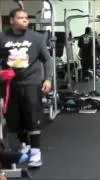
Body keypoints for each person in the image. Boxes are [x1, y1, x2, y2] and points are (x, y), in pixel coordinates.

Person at [0, 8, 53, 167]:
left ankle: (36, 152)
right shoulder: (2, 37)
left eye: (26, 18)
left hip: (32, 82)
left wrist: (48, 79)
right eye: (20, 18)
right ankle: (26, 146)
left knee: (32, 117)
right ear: (11, 20)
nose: (25, 20)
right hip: (10, 84)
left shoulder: (36, 38)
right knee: (15, 120)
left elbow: (47, 59)